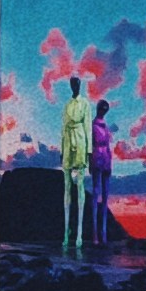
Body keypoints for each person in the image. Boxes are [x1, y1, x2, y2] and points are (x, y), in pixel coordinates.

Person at [58, 74, 92, 253]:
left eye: (77, 84)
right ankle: (66, 232)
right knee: (66, 186)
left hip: (80, 141)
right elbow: (63, 127)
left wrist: (89, 152)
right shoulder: (67, 105)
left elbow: (88, 127)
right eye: (72, 84)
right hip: (68, 141)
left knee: (79, 185)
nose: (75, 86)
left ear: (80, 85)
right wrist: (61, 149)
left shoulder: (85, 103)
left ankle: (78, 233)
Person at [89, 96, 115, 247]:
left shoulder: (105, 126)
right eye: (102, 109)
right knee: (96, 193)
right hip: (97, 156)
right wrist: (90, 163)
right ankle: (95, 234)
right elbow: (89, 145)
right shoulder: (92, 125)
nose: (103, 112)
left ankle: (103, 233)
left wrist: (110, 161)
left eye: (105, 110)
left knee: (105, 196)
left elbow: (108, 146)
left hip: (106, 157)